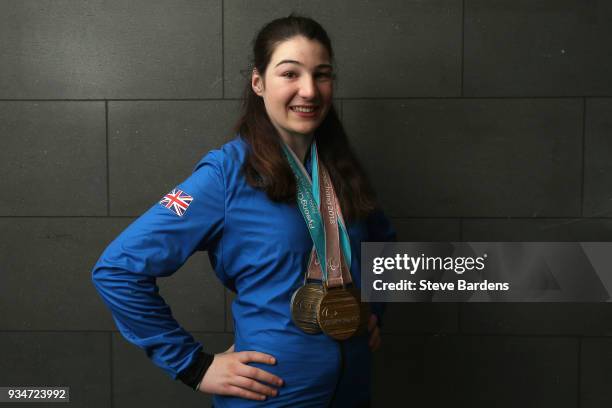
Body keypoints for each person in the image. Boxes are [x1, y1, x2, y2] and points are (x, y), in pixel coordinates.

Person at [91, 14, 395, 407]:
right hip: (272, 396)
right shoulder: (225, 174)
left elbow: (383, 240)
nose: (309, 90)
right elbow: (117, 269)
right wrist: (193, 366)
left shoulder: (341, 168)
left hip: (353, 393)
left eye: (322, 74)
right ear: (258, 82)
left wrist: (375, 313)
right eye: (290, 74)